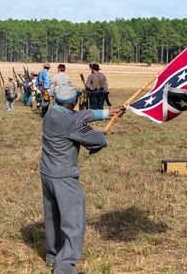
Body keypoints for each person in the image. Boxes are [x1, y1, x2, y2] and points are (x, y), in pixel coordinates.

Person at [40, 83, 125, 274]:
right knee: (73, 219)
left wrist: (107, 113)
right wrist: (103, 138)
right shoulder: (71, 122)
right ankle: (65, 266)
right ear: (74, 102)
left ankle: (52, 256)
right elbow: (96, 139)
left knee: (53, 216)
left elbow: (79, 116)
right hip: (64, 177)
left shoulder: (50, 114)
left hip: (47, 173)